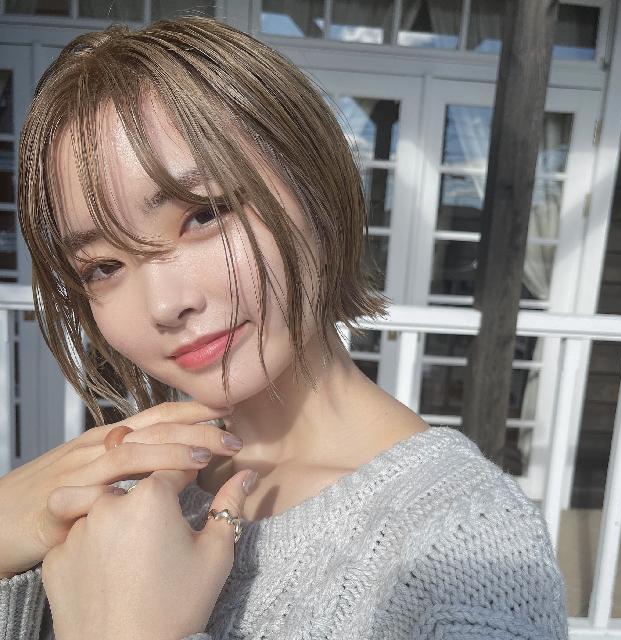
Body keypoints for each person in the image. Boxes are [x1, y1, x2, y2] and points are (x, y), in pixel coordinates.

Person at [0, 15, 569, 640]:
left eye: (203, 214)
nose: (163, 304)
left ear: (316, 184)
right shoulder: (124, 486)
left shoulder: (465, 550)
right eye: (103, 267)